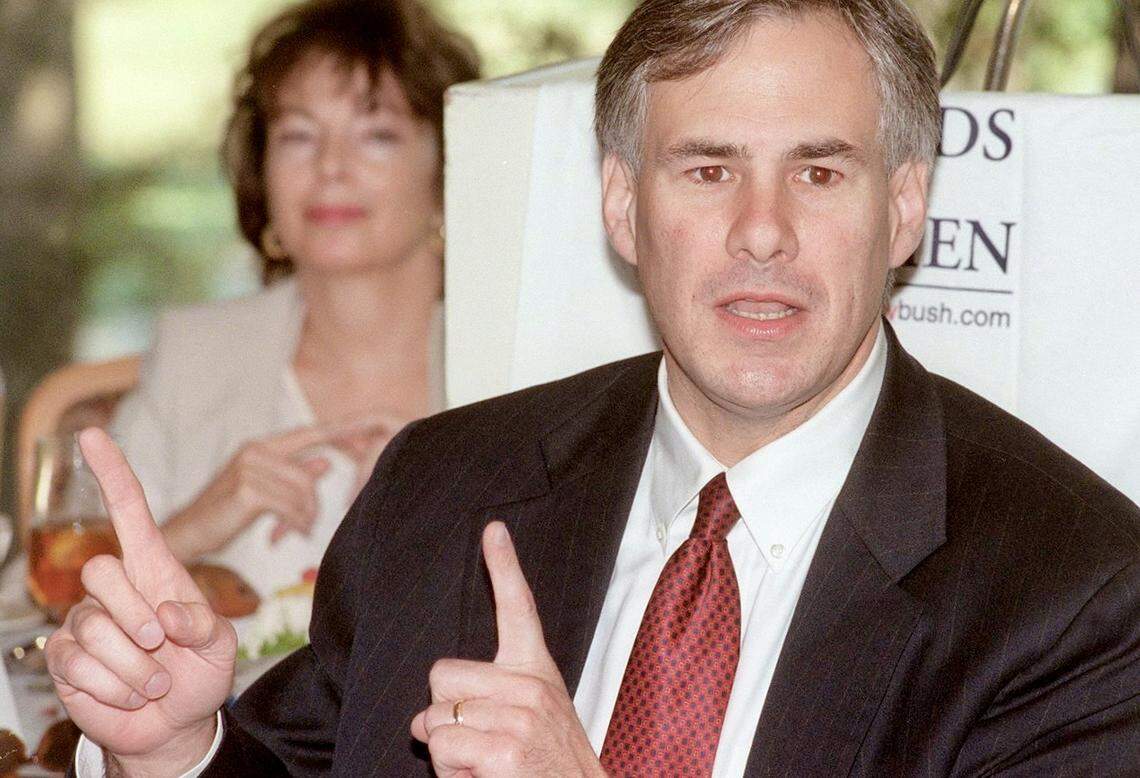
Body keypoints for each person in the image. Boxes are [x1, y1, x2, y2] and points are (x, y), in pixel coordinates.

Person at [50, 0, 1140, 775]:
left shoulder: (1075, 598)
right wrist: (181, 748)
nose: (762, 231)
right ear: (622, 206)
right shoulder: (446, 485)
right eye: (706, 169)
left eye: (819, 170)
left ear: (906, 205)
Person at [109, 0, 480, 598]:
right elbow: (46, 618)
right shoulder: (193, 353)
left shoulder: (517, 366)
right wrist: (194, 527)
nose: (331, 166)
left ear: (446, 177)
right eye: (299, 135)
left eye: (377, 135)